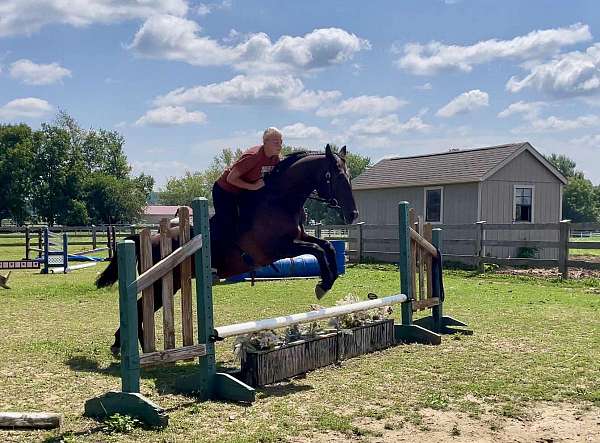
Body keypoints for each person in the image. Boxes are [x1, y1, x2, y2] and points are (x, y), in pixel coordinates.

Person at [212, 127, 283, 242]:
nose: (280, 146)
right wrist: (254, 187)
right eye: (276, 142)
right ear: (265, 143)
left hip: (243, 191)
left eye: (281, 142)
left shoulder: (276, 159)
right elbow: (231, 179)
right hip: (225, 190)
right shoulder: (253, 156)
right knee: (229, 223)